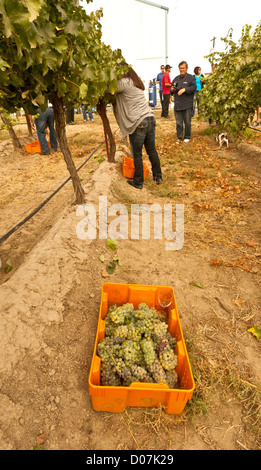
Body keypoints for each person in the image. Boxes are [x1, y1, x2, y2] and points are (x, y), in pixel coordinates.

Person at [114, 62, 162, 189]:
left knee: (137, 154)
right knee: (152, 150)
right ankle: (158, 177)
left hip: (139, 122)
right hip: (150, 118)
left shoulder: (123, 83)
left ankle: (138, 182)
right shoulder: (136, 82)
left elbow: (109, 88)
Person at [171, 61, 196, 142]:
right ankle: (179, 137)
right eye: (180, 68)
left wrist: (185, 89)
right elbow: (172, 90)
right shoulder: (176, 78)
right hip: (178, 104)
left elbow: (194, 87)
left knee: (187, 122)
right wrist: (171, 89)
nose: (181, 70)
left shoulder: (191, 78)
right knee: (179, 123)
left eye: (183, 68)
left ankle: (187, 136)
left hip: (187, 104)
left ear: (186, 68)